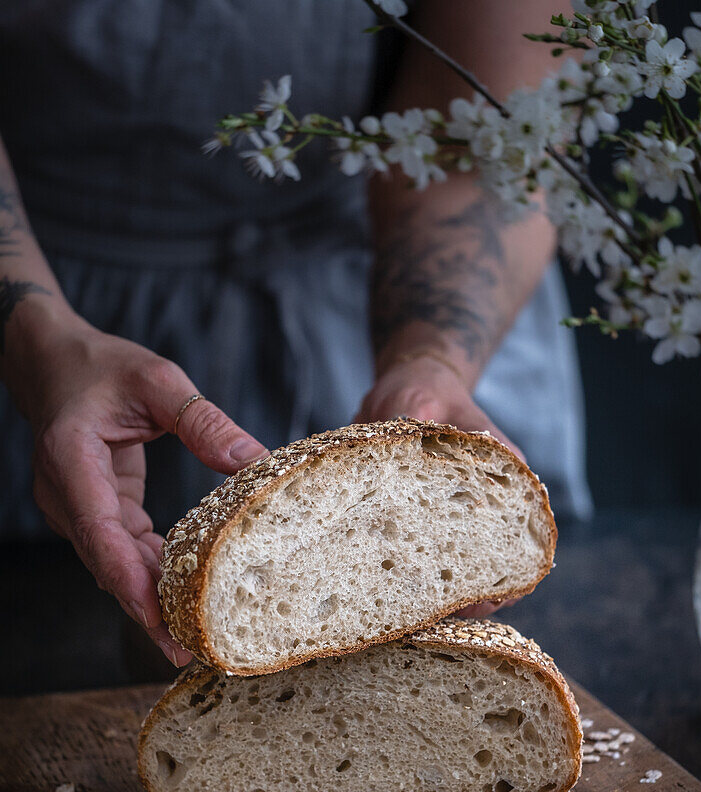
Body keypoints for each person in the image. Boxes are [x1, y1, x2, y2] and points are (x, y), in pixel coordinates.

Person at [0, 0, 591, 668]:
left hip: (362, 275)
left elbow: (480, 150)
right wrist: (36, 339)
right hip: (43, 284)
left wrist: (431, 362)